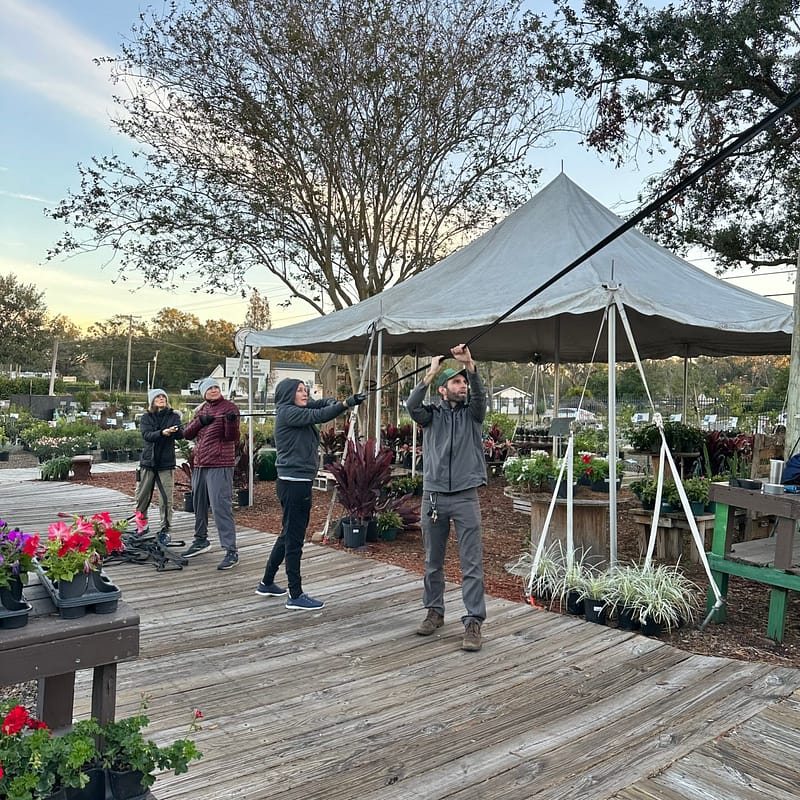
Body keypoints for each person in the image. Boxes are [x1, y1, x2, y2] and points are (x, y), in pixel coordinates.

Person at [256, 378, 365, 610]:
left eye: (306, 390)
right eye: (299, 391)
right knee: (294, 540)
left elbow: (321, 405)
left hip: (294, 482)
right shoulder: (288, 413)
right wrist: (345, 403)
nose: (305, 394)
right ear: (287, 394)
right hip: (294, 484)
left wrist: (335, 401)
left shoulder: (295, 409)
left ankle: (266, 582)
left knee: (287, 534)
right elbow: (320, 416)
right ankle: (295, 595)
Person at [406, 344, 488, 651]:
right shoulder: (431, 416)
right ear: (443, 390)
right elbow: (411, 406)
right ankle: (434, 612)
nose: (462, 386)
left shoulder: (473, 415)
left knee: (472, 564)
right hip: (434, 497)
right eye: (456, 382)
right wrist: (430, 373)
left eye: (463, 382)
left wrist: (470, 366)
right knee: (433, 561)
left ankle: (473, 622)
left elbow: (479, 396)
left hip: (466, 497)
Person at [181, 378, 241, 570]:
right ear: (203, 393)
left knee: (220, 506)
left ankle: (231, 550)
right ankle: (201, 540)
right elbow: (187, 433)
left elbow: (232, 437)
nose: (214, 390)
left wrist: (231, 422)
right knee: (198, 505)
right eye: (210, 388)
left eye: (216, 387)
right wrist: (200, 421)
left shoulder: (229, 407)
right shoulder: (203, 410)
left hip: (220, 463)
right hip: (200, 464)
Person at [134, 389, 184, 545]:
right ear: (152, 401)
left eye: (163, 397)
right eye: (158, 397)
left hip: (166, 464)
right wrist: (162, 433)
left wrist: (176, 430)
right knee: (142, 497)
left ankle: (165, 530)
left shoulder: (173, 416)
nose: (161, 399)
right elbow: (147, 435)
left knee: (166, 499)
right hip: (148, 463)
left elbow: (181, 434)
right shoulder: (146, 418)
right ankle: (142, 525)